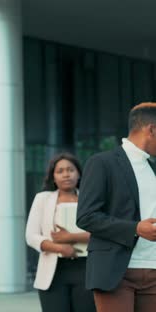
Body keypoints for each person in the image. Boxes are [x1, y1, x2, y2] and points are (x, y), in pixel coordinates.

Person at [76, 102, 156, 312]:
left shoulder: (153, 168)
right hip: (115, 271)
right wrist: (135, 228)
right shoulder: (102, 162)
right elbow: (86, 216)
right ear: (152, 130)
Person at [26, 152, 95, 312]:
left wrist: (70, 237)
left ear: (78, 173)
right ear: (53, 176)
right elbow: (31, 236)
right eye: (60, 171)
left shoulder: (90, 200)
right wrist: (60, 248)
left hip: (86, 270)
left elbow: (102, 233)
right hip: (53, 274)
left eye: (70, 170)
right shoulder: (42, 199)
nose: (66, 174)